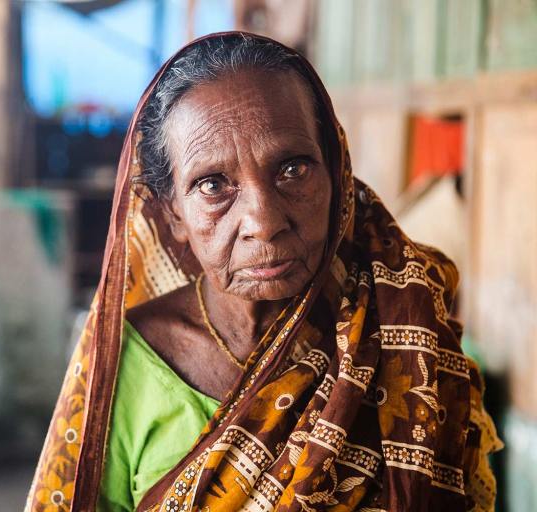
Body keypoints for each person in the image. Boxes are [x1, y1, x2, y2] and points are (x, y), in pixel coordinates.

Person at [25, 32, 502, 512]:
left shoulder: (404, 327)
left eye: (292, 170)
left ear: (336, 173)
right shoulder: (123, 364)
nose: (264, 222)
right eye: (213, 185)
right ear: (173, 215)